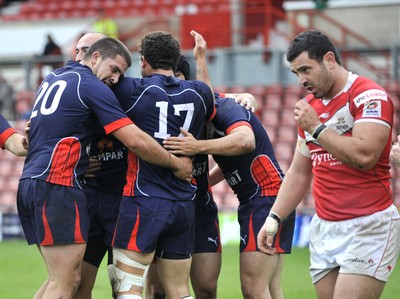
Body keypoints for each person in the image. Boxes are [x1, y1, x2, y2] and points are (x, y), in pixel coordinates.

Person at [17, 37, 192, 299]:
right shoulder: (90, 85)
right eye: (114, 69)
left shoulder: (54, 78)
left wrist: (81, 159)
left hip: (33, 180)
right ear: (95, 57)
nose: (115, 78)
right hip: (58, 185)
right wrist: (175, 163)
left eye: (121, 73)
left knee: (64, 278)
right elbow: (133, 138)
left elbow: (43, 133)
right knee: (66, 281)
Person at [257, 29, 400, 299]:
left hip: (368, 225)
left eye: (306, 69)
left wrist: (317, 128)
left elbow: (365, 157)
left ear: (330, 59)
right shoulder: (310, 106)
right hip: (324, 228)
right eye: (296, 73)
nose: (302, 80)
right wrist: (274, 217)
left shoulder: (370, 96)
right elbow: (300, 172)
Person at [109, 30, 215, 299]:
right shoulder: (199, 93)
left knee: (127, 288)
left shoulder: (131, 90)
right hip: (183, 203)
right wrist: (201, 60)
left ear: (143, 61)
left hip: (144, 199)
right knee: (179, 290)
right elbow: (211, 98)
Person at [164, 92, 295, 298]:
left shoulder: (220, 108)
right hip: (269, 197)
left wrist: (197, 146)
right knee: (271, 288)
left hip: (263, 197)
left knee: (254, 289)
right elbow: (227, 165)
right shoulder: (213, 108)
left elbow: (245, 140)